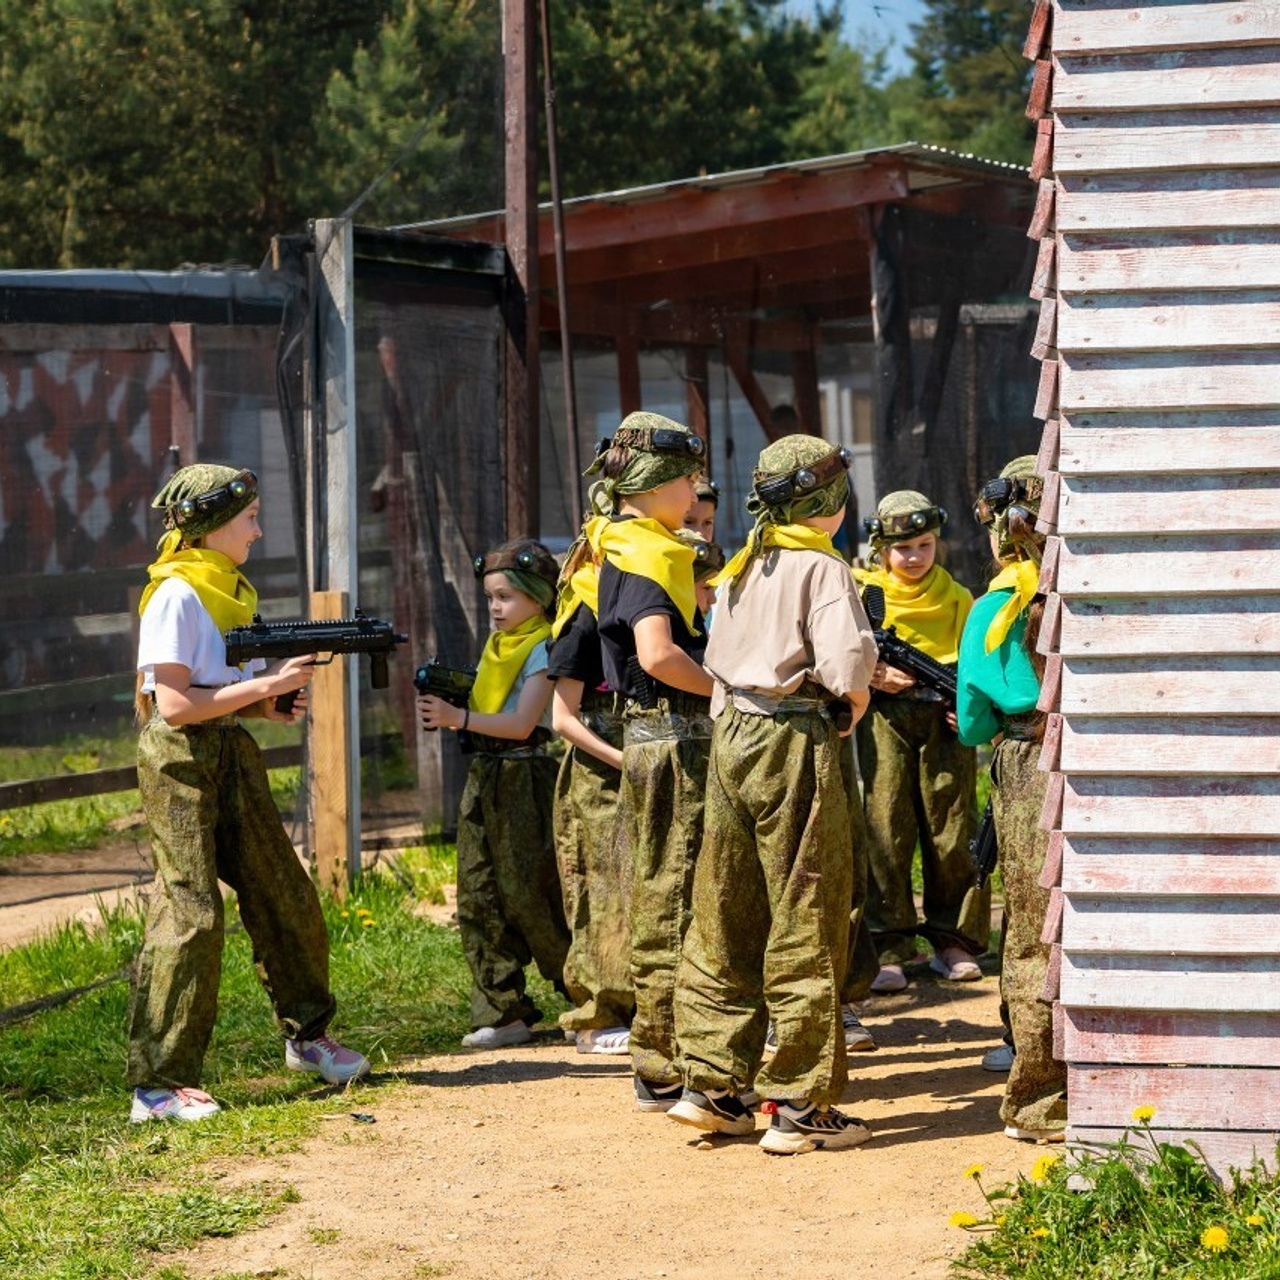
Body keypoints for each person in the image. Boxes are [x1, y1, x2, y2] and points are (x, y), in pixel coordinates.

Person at [129, 464, 369, 1123]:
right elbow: (175, 705)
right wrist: (266, 687)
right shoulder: (176, 594)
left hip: (229, 748)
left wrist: (267, 706)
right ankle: (159, 1084)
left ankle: (308, 1037)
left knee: (283, 889)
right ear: (212, 527)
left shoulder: (230, 589)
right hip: (179, 758)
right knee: (192, 913)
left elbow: (222, 692)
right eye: (249, 519)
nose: (258, 532)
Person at [669, 436, 878, 1154]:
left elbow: (717, 656)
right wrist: (853, 702)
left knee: (725, 907)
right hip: (792, 735)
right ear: (828, 499)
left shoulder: (742, 560)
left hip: (731, 732)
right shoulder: (822, 566)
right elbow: (845, 666)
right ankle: (797, 1103)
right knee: (806, 907)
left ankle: (712, 1085)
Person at [589, 411, 714, 1113]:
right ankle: (662, 1061)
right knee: (671, 899)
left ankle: (669, 1054)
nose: (694, 493)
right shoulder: (641, 554)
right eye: (686, 480)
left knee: (674, 892)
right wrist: (728, 690)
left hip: (666, 738)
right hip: (671, 740)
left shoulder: (643, 545)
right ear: (654, 484)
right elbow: (659, 656)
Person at [419, 540, 571, 1049]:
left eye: (506, 597)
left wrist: (457, 717)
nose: (495, 608)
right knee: (479, 893)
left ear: (538, 598)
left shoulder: (543, 647)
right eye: (490, 598)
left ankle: (590, 1000)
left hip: (526, 779)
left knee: (535, 895)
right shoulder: (497, 647)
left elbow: (523, 723)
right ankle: (503, 1010)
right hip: (485, 776)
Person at [956, 457, 1067, 1142]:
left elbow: (973, 725)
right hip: (1096, 761)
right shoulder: (1080, 597)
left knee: (1031, 932)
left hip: (1026, 764)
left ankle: (1040, 1101)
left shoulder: (990, 609)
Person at [854, 492, 988, 994]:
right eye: (903, 548)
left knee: (952, 827)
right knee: (885, 825)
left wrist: (967, 708)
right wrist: (874, 673)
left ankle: (953, 942)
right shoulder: (865, 594)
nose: (914, 557)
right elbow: (841, 650)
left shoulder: (956, 597)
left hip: (944, 721)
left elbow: (974, 661)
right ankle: (888, 948)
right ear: (881, 550)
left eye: (925, 545)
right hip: (884, 717)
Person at [547, 522, 631, 1055]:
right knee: (600, 893)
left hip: (636, 768)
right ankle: (595, 1019)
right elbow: (562, 719)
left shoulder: (635, 607)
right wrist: (622, 761)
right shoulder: (582, 615)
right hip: (597, 779)